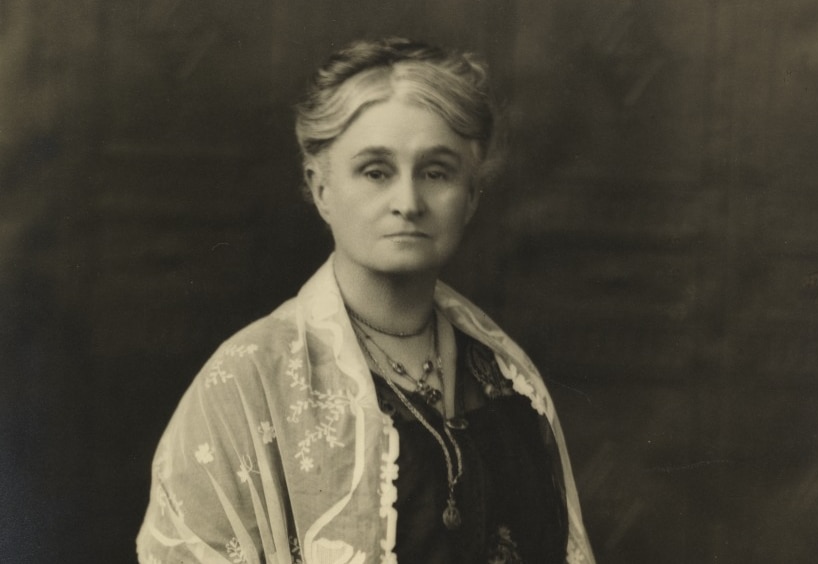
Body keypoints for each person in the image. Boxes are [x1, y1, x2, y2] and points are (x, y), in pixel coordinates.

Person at [136, 37, 595, 564]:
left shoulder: (505, 375)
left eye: (436, 172)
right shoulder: (248, 380)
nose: (408, 203)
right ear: (322, 187)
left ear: (470, 197)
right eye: (376, 172)